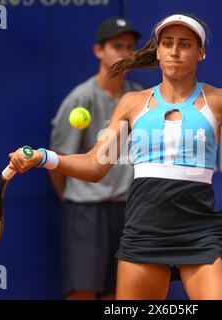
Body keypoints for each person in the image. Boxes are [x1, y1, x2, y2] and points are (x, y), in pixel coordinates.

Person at [9, 13, 222, 300]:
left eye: (185, 44)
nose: (174, 51)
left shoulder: (221, 100)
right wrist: (44, 157)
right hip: (144, 229)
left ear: (200, 53)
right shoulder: (133, 103)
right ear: (157, 51)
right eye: (168, 43)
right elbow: (95, 166)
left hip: (200, 229)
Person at [48, 17, 142, 300]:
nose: (124, 53)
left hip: (129, 210)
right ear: (98, 51)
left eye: (129, 47)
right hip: (86, 211)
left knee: (120, 293)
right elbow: (60, 159)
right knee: (83, 291)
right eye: (116, 46)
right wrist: (70, 198)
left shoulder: (139, 99)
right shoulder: (81, 98)